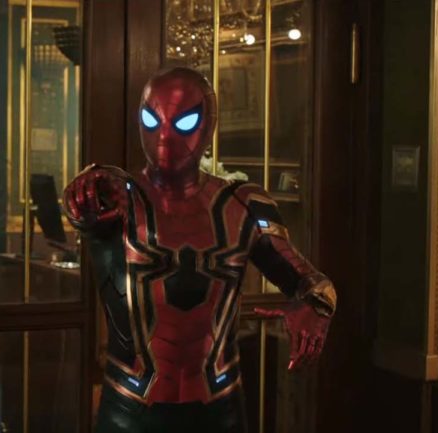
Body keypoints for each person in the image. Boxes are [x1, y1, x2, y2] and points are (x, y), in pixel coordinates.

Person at [63, 67, 336, 433]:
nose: (164, 136)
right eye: (152, 120)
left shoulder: (244, 205)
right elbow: (81, 202)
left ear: (209, 124)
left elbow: (313, 283)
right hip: (130, 408)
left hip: (218, 407)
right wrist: (89, 185)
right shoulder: (116, 198)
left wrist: (316, 307)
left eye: (184, 122)